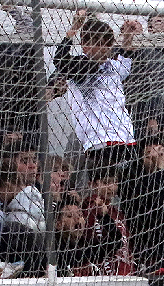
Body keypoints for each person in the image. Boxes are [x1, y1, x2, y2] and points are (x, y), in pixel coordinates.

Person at [53, 10, 138, 175]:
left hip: (126, 139)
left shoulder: (113, 66)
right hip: (99, 142)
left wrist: (127, 35)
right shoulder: (81, 66)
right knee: (101, 186)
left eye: (107, 44)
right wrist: (74, 28)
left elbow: (126, 57)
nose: (104, 48)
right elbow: (59, 60)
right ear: (85, 45)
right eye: (98, 43)